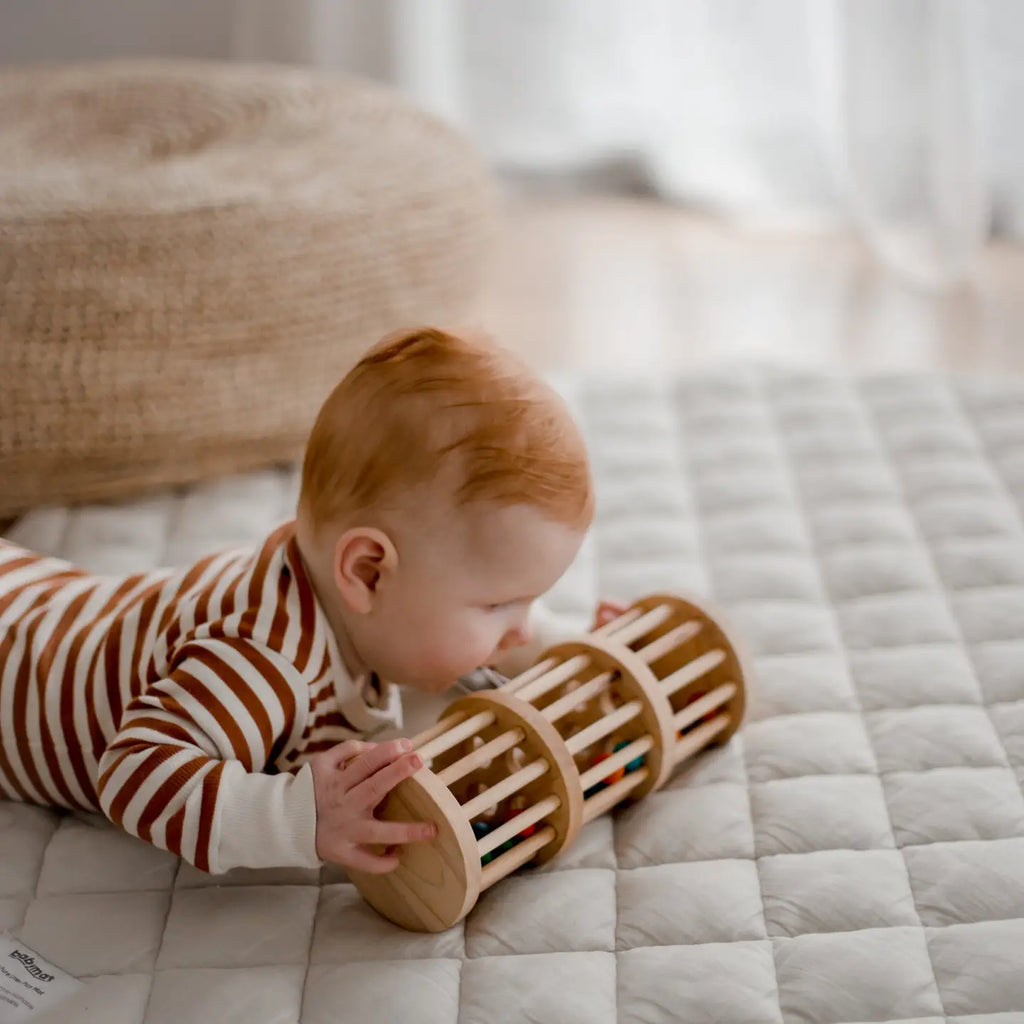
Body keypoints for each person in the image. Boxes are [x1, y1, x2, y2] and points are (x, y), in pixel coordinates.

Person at [0, 327, 621, 875]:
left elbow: (511, 634)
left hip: (52, 599)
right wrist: (299, 816)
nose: (519, 630)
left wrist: (574, 648)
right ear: (370, 573)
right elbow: (132, 773)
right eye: (498, 607)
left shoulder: (342, 595)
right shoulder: (266, 666)